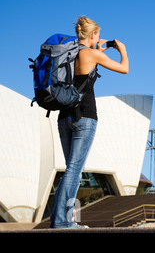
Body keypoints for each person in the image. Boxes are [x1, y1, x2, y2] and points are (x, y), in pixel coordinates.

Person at [50, 16, 129, 228]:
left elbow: (80, 74)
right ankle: (62, 222)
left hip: (64, 117)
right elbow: (124, 68)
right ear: (92, 34)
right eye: (98, 35)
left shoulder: (69, 55)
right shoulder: (91, 54)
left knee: (70, 171)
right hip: (84, 117)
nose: (99, 38)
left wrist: (98, 52)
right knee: (74, 170)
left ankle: (61, 220)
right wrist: (121, 49)